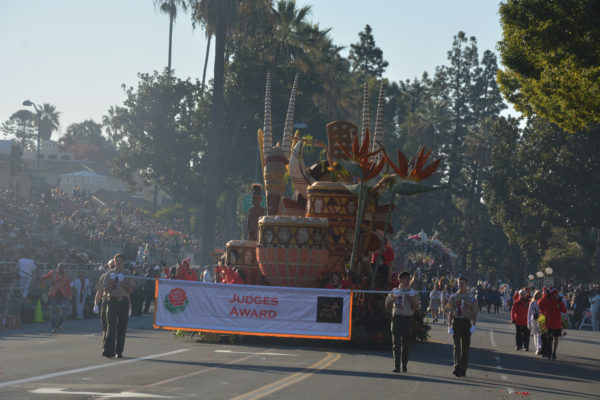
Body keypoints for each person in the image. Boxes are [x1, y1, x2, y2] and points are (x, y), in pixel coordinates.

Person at [385, 271, 419, 373]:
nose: (408, 280)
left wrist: (411, 298)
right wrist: (393, 299)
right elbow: (387, 306)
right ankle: (397, 366)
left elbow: (417, 307)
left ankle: (404, 364)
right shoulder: (395, 291)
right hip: (397, 318)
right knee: (396, 342)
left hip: (407, 318)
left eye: (409, 278)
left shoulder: (412, 292)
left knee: (406, 343)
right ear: (400, 280)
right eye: (405, 278)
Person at [101, 254, 133, 358]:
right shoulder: (109, 274)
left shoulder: (127, 274)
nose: (118, 263)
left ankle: (119, 351)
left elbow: (130, 290)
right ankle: (107, 349)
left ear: (123, 262)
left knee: (122, 327)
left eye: (120, 261)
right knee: (111, 326)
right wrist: (112, 281)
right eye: (116, 261)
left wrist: (122, 282)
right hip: (112, 301)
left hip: (123, 301)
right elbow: (106, 290)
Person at [446, 276, 478, 377]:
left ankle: (463, 368)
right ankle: (457, 366)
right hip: (457, 322)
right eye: (459, 283)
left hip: (466, 322)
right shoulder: (454, 297)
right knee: (456, 346)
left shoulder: (471, 297)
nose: (461, 285)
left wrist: (474, 325)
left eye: (462, 283)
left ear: (466, 284)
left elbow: (474, 312)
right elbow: (450, 312)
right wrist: (449, 325)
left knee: (465, 347)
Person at [40, 264, 72, 333]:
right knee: (54, 312)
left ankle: (59, 325)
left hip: (63, 295)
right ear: (57, 268)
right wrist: (39, 278)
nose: (61, 269)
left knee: (64, 311)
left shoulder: (66, 276)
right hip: (53, 295)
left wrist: (69, 295)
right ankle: (53, 327)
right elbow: (45, 278)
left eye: (62, 267)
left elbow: (68, 287)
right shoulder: (53, 273)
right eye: (60, 267)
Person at [538, 287, 566, 360]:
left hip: (557, 323)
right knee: (550, 339)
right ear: (552, 294)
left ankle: (554, 352)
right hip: (549, 323)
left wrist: (561, 302)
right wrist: (545, 297)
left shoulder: (558, 302)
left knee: (556, 339)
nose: (557, 295)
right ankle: (549, 353)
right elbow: (540, 305)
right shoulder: (547, 301)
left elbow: (564, 310)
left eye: (557, 294)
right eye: (556, 294)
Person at [528, 290, 543, 354]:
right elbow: (529, 313)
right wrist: (528, 322)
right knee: (535, 334)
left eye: (540, 294)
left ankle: (539, 348)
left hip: (541, 319)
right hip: (534, 320)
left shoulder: (542, 301)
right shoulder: (532, 302)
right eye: (538, 294)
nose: (539, 295)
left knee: (539, 334)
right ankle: (537, 348)